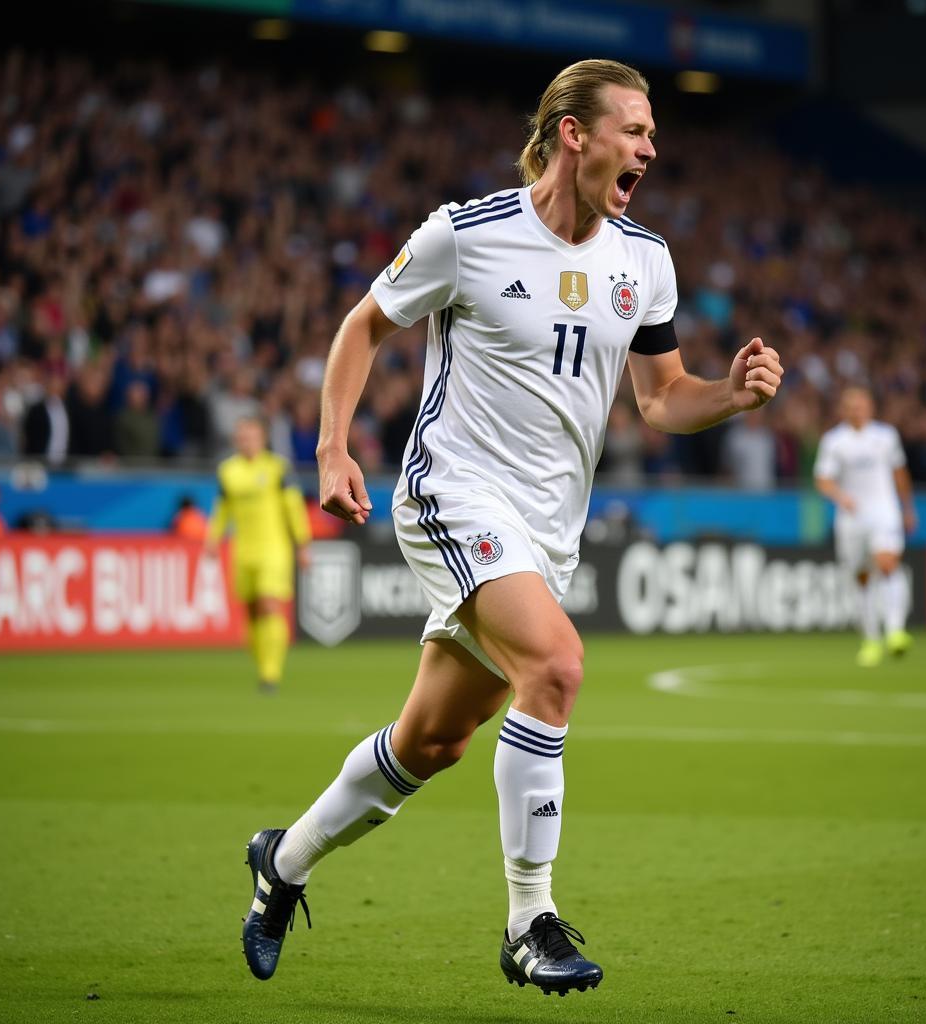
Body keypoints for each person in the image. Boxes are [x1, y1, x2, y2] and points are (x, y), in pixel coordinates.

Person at [240, 59, 784, 996]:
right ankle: (530, 918)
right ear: (575, 134)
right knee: (558, 666)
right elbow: (362, 327)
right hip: (453, 491)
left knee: (433, 742)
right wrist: (331, 449)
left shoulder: (643, 259)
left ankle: (282, 861)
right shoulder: (468, 233)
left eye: (654, 133)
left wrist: (729, 397)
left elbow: (660, 400)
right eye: (636, 129)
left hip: (547, 531)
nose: (653, 147)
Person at [205, 415, 311, 692]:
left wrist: (303, 544)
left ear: (262, 439)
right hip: (243, 551)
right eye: (241, 437)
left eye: (250, 436)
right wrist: (213, 538)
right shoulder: (228, 471)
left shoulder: (278, 469)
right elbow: (222, 508)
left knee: (269, 605)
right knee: (251, 613)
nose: (246, 441)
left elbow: (293, 507)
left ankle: (270, 674)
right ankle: (263, 667)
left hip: (273, 549)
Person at [814, 387, 917, 667]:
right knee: (860, 578)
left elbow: (899, 473)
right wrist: (840, 496)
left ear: (870, 407)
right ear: (843, 410)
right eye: (850, 406)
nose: (855, 410)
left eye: (860, 405)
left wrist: (908, 508)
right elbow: (822, 479)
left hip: (884, 512)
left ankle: (895, 632)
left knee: (887, 564)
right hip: (851, 519)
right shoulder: (834, 441)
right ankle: (871, 639)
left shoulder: (886, 437)